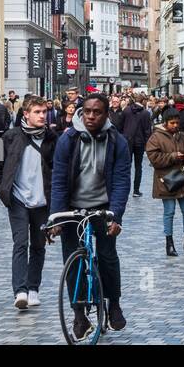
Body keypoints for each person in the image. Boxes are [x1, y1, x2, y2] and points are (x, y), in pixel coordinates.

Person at [50, 93, 131, 337]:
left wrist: (115, 217)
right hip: (73, 208)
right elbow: (59, 179)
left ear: (107, 114)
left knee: (107, 255)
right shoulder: (68, 140)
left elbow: (121, 181)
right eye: (87, 111)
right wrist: (56, 216)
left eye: (97, 112)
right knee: (72, 262)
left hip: (103, 206)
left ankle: (114, 303)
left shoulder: (118, 142)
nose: (91, 116)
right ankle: (78, 314)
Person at [0, 96, 57, 310]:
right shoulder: (7, 137)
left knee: (38, 246)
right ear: (26, 114)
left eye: (44, 112)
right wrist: (3, 191)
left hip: (42, 201)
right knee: (20, 243)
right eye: (37, 112)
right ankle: (20, 291)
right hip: (18, 200)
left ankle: (33, 288)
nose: (42, 116)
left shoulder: (52, 138)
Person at [145, 107, 184, 257]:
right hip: (166, 181)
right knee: (169, 212)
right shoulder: (156, 138)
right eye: (172, 123)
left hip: (182, 180)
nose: (175, 125)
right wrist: (173, 157)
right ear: (165, 123)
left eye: (177, 123)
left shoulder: (183, 136)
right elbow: (154, 158)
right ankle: (169, 244)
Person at [120, 90, 153, 197]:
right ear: (143, 101)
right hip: (139, 142)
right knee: (138, 166)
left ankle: (125, 189)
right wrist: (147, 144)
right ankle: (136, 190)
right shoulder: (146, 113)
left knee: (126, 166)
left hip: (127, 141)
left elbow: (121, 126)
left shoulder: (126, 110)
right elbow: (147, 130)